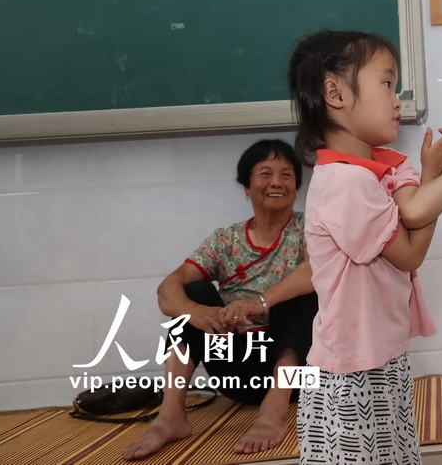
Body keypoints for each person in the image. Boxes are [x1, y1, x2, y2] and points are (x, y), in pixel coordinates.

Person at [287, 29, 442, 464]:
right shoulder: (345, 183)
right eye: (386, 83)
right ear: (335, 94)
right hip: (346, 381)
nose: (396, 98)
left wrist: (432, 176)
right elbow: (410, 246)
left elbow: (413, 207)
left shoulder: (371, 171)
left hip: (378, 363)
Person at [122, 138, 318, 460]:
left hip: (295, 371)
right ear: (246, 186)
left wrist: (260, 303)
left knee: (299, 291)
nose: (276, 182)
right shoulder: (224, 239)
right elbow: (167, 290)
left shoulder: (308, 229)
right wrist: (197, 312)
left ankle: (273, 411)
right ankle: (171, 417)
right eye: (265, 173)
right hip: (236, 370)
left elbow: (313, 272)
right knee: (192, 293)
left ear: (296, 187)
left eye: (286, 175)